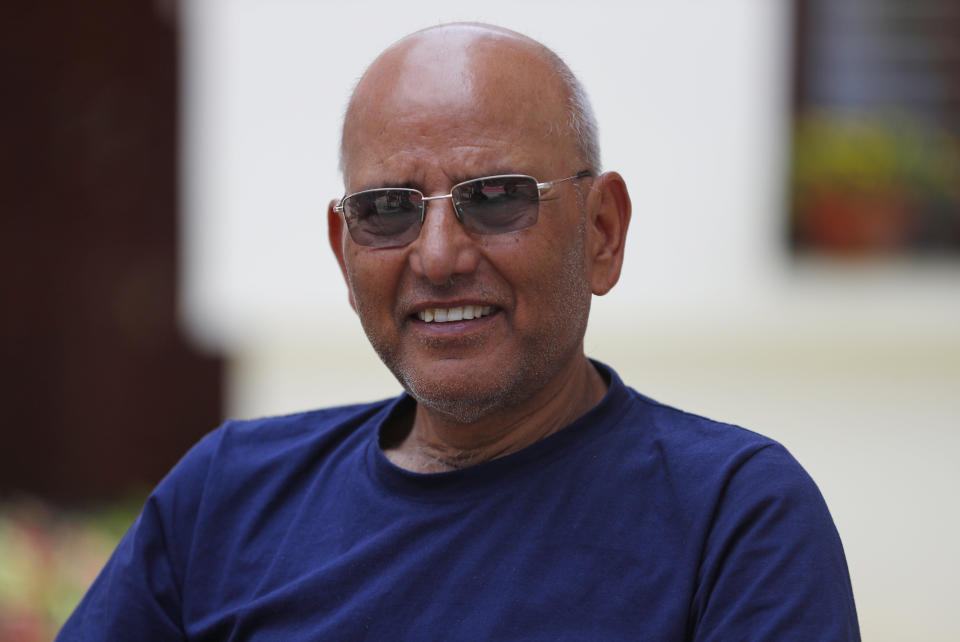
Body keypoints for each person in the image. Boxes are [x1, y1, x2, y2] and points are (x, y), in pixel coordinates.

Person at [59, 23, 860, 640]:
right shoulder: (229, 498)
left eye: (497, 197)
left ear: (602, 232)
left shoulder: (732, 519)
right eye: (387, 211)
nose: (438, 257)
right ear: (345, 254)